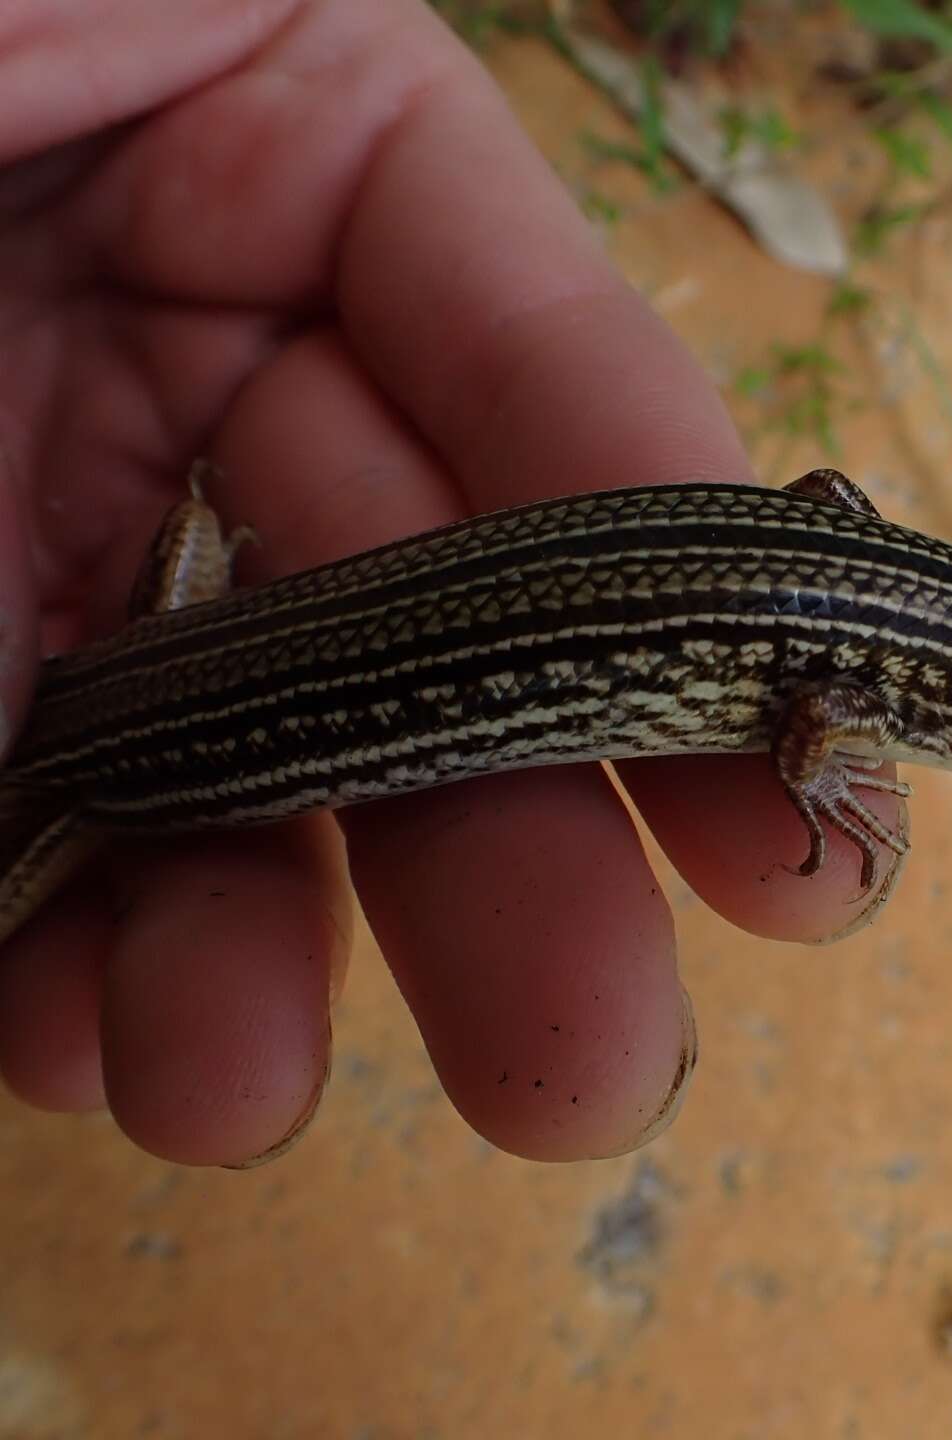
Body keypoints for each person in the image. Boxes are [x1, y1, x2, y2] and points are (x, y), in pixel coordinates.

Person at [0, 0, 897, 1167]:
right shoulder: (861, 694)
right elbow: (817, 718)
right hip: (140, 754)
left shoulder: (863, 606)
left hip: (162, 698)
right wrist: (815, 781)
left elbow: (826, 500)